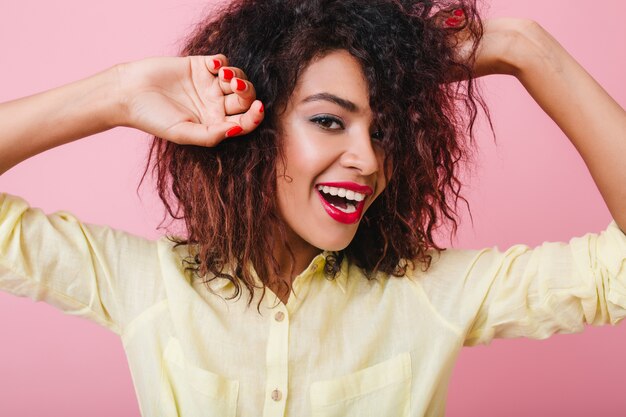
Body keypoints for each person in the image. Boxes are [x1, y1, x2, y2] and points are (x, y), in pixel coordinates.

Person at [0, 0, 624, 415]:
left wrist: (526, 47)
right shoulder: (149, 287)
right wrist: (116, 94)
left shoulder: (428, 294)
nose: (369, 161)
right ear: (257, 128)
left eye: (382, 132)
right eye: (330, 121)